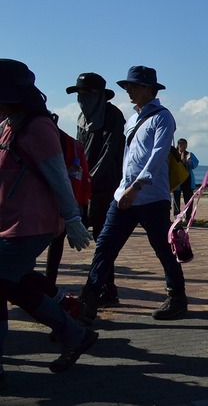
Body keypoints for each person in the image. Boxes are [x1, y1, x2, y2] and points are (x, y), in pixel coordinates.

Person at [0, 59, 97, 382]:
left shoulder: (37, 127)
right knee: (17, 285)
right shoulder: (9, 125)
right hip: (10, 222)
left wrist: (73, 219)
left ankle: (73, 332)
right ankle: (76, 334)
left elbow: (58, 176)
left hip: (31, 225)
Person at [79, 66, 188, 322]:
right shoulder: (132, 119)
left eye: (134, 86)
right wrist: (123, 187)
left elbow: (158, 155)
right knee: (105, 245)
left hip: (150, 197)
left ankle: (177, 296)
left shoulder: (162, 117)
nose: (129, 90)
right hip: (124, 195)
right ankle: (90, 297)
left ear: (149, 88)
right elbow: (128, 159)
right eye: (127, 86)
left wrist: (137, 186)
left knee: (163, 248)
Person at [64, 72, 125, 305]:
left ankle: (105, 287)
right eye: (79, 94)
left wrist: (90, 181)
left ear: (99, 95)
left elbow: (109, 152)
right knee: (98, 239)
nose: (82, 98)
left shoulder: (112, 115)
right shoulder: (82, 118)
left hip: (106, 186)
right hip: (85, 187)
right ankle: (105, 286)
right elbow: (80, 153)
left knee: (103, 238)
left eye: (87, 94)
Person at [171, 138, 198, 223]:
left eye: (184, 144)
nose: (182, 146)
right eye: (180, 144)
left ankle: (188, 217)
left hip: (187, 179)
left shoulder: (189, 154)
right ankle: (177, 216)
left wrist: (186, 160)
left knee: (188, 199)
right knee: (176, 199)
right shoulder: (174, 154)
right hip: (177, 179)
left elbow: (194, 164)